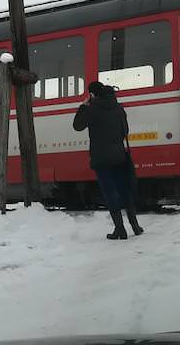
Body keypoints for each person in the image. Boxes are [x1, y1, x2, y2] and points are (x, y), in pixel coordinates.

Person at [72, 81, 143, 240]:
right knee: (124, 190)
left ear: (92, 94)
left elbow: (77, 126)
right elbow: (125, 130)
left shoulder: (91, 110)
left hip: (101, 159)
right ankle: (135, 226)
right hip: (119, 156)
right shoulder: (119, 108)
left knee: (110, 193)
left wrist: (83, 106)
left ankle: (120, 229)